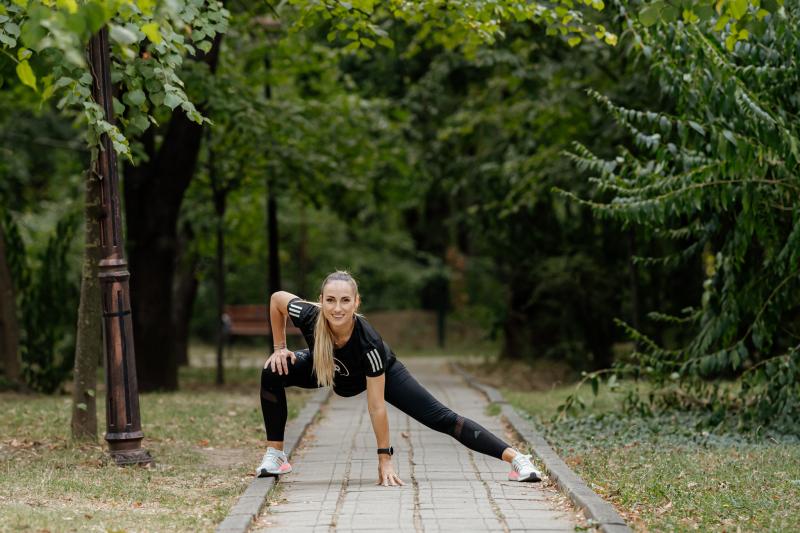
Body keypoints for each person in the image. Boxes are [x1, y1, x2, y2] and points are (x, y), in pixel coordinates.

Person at [257, 270, 542, 486]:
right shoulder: (308, 314)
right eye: (330, 300)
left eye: (345, 300)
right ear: (320, 301)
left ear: (356, 302)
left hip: (379, 374)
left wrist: (385, 458)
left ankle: (517, 459)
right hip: (327, 366)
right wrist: (280, 348)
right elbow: (277, 299)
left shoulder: (369, 344)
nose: (337, 308)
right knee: (273, 370)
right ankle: (276, 456)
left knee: (441, 418)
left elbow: (376, 406)